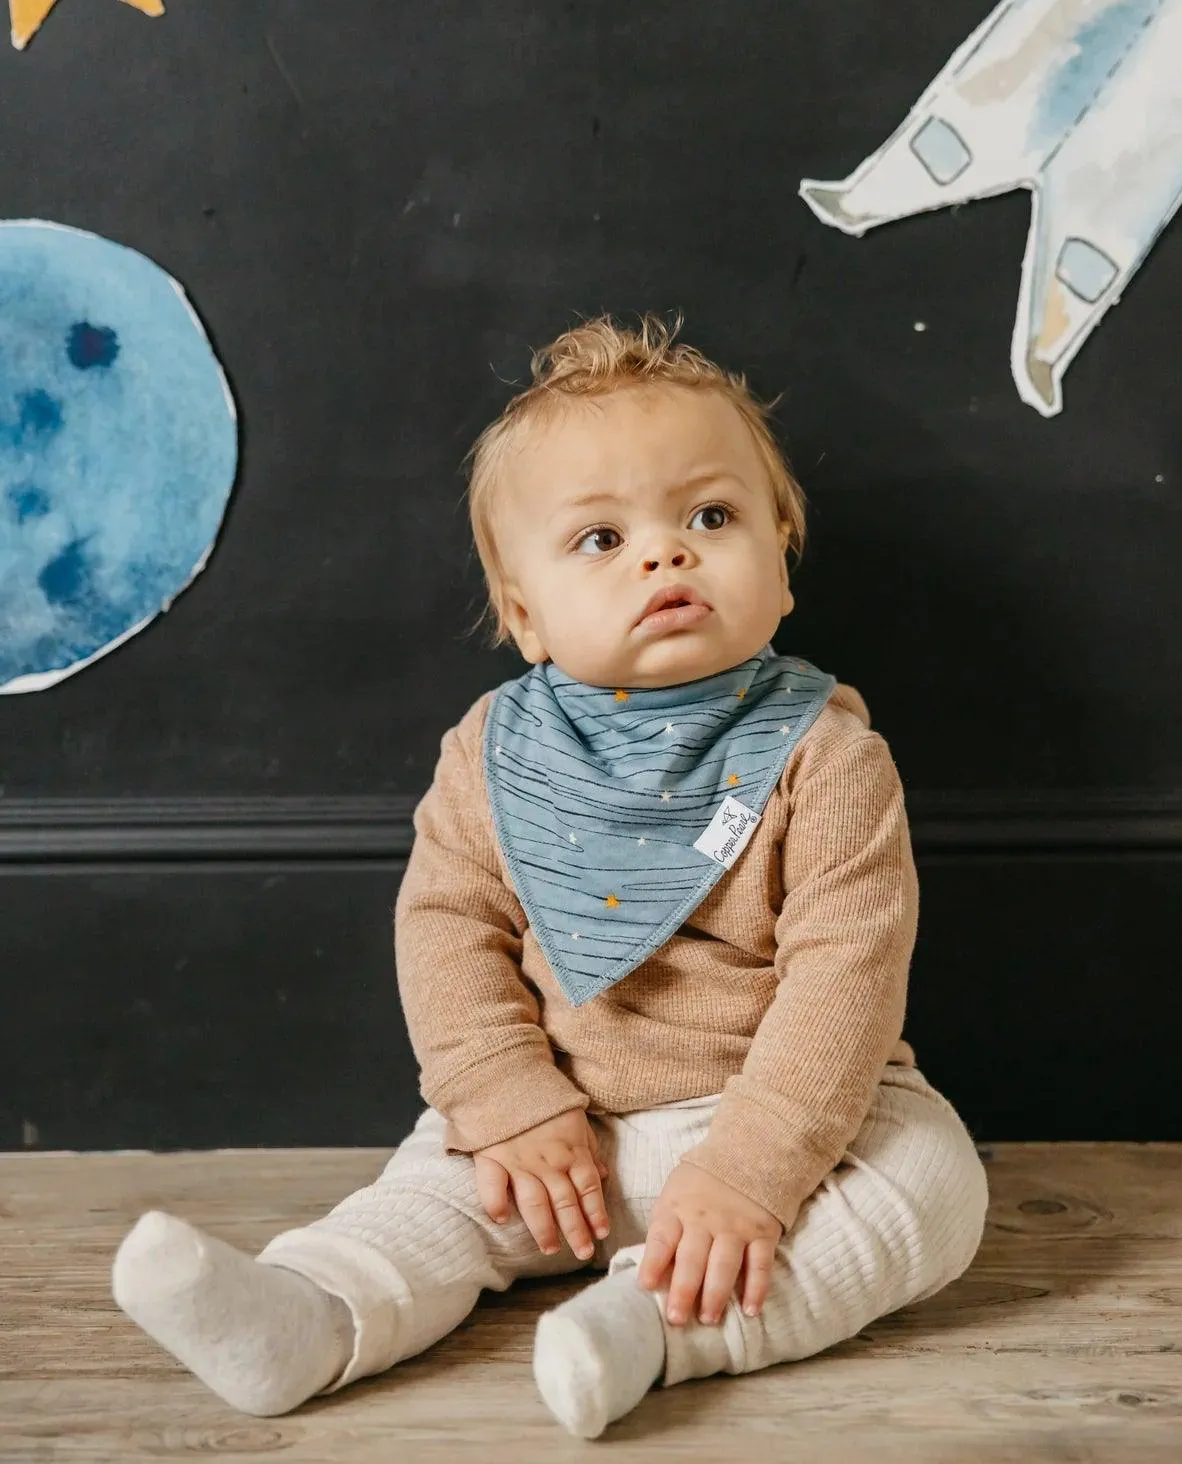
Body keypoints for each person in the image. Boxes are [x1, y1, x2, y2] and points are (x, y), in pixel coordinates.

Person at [112, 313, 989, 1439]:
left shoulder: (826, 758)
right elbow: (447, 933)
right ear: (525, 617)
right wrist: (509, 1106)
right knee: (435, 1197)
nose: (665, 554)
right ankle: (310, 1315)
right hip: (563, 1132)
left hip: (780, 1122)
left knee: (935, 1185)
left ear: (781, 565)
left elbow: (845, 985)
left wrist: (750, 1174)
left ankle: (656, 1326)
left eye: (709, 517)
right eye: (600, 540)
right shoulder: (492, 753)